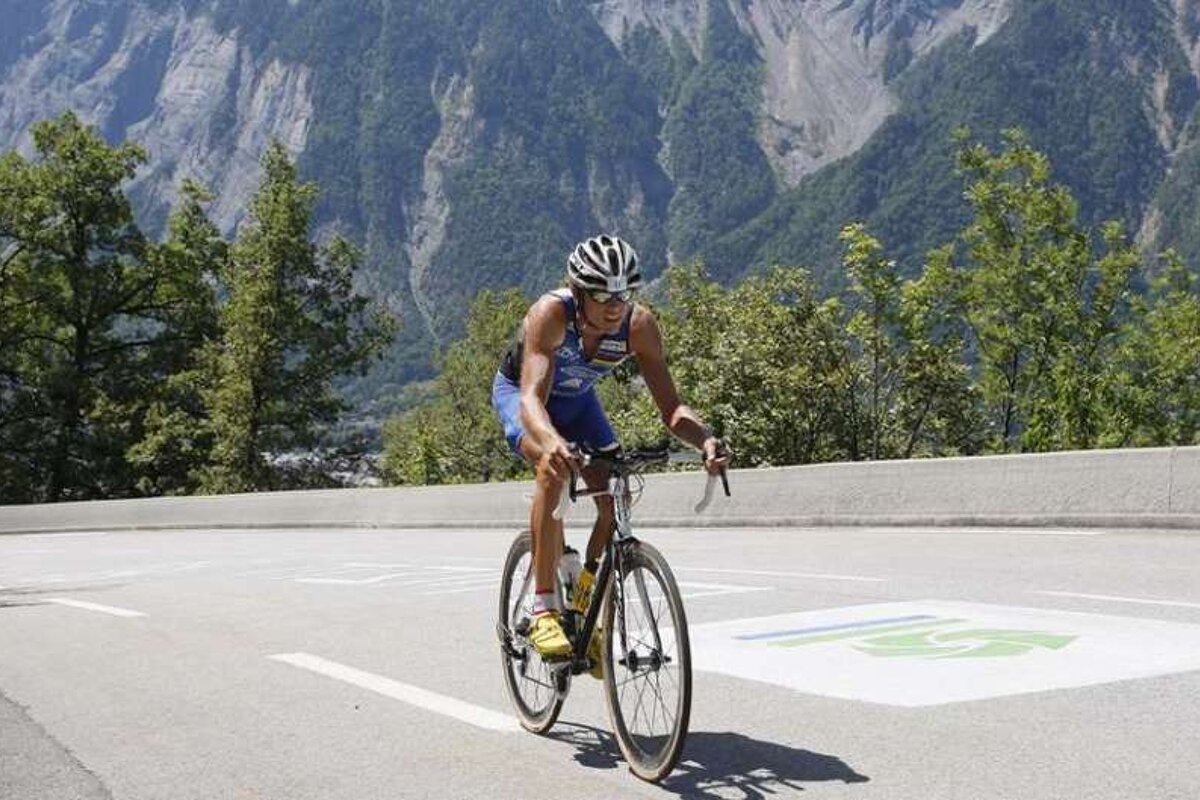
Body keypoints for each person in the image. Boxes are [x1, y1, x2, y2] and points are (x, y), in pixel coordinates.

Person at [491, 234, 731, 664]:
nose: (615, 305)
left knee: (614, 495)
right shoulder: (551, 314)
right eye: (602, 294)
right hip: (524, 397)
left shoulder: (639, 327)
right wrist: (553, 442)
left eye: (624, 294)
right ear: (578, 290)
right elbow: (530, 399)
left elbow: (672, 409)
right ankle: (544, 608)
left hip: (579, 402)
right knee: (553, 467)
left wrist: (706, 438)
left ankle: (583, 601)